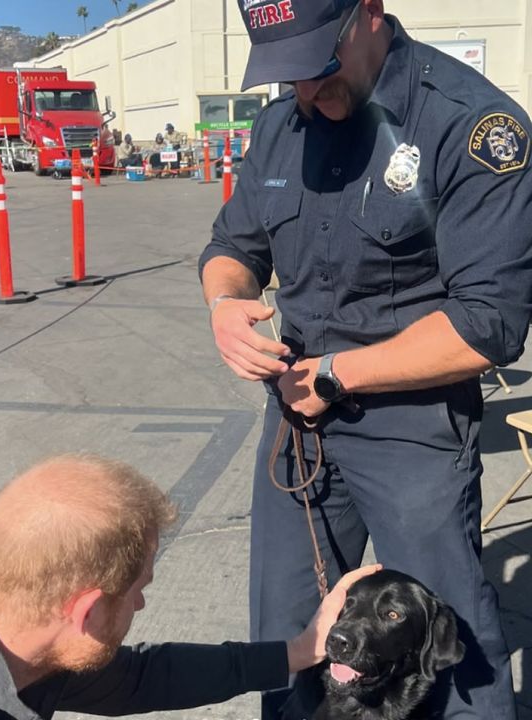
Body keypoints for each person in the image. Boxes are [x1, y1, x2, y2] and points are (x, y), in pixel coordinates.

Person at [198, 1, 532, 718]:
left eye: (318, 65)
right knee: (287, 628)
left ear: (369, 13)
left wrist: (334, 374)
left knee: (449, 638)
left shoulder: (471, 126)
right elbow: (234, 246)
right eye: (285, 74)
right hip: (298, 423)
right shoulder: (279, 124)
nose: (305, 93)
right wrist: (224, 304)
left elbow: (488, 324)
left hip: (413, 425)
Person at [0, 455, 381, 719]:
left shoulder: (16, 624)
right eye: (137, 589)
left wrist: (298, 651)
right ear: (84, 613)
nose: (142, 602)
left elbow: (146, 677)